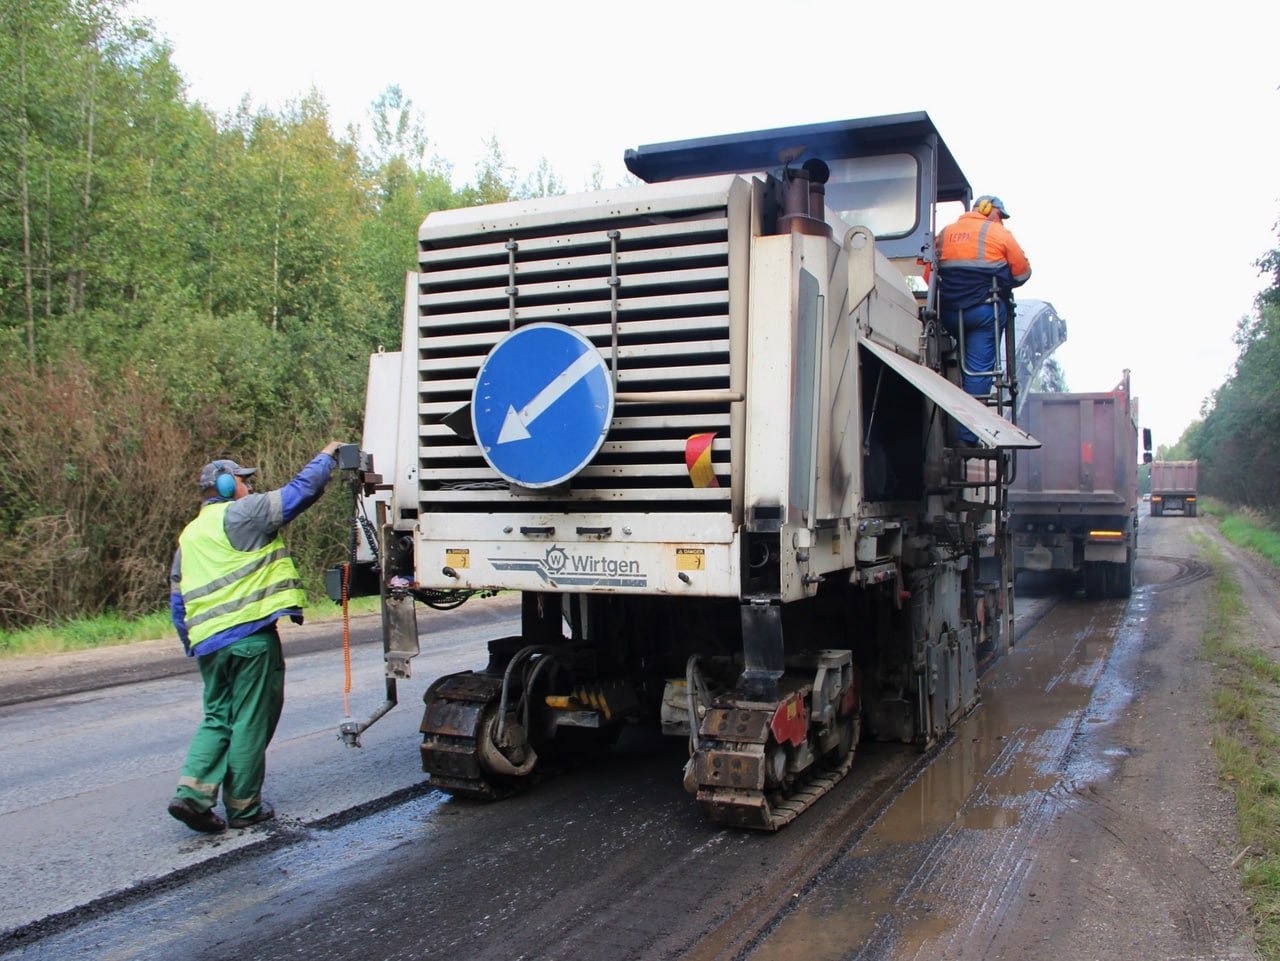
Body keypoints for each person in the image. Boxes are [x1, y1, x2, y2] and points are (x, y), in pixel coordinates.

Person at [167, 442, 343, 833]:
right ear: (227, 485)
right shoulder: (243, 514)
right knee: (250, 719)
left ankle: (192, 795)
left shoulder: (190, 535)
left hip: (208, 644)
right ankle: (244, 808)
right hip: (250, 637)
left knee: (217, 716)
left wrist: (191, 643)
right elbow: (301, 492)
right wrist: (327, 456)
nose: (250, 485)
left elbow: (178, 600)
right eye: (244, 480)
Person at [935, 194, 1032, 445]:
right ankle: (967, 437)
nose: (1002, 222)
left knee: (960, 360)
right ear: (989, 210)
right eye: (1001, 216)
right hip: (983, 314)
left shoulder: (944, 234)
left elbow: (929, 274)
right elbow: (1022, 274)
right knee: (979, 370)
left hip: (948, 314)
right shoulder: (1000, 235)